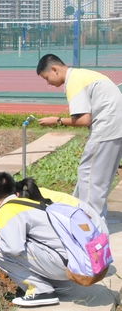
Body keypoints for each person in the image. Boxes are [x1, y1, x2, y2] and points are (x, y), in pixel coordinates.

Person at [36, 54, 122, 218]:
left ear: (54, 69)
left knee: (90, 175)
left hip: (107, 127)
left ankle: (90, 222)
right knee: (95, 175)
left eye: (47, 78)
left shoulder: (73, 81)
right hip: (116, 126)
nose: (48, 83)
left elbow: (83, 119)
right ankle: (76, 213)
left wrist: (57, 120)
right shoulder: (82, 75)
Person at [0, 172, 68, 307]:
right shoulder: (27, 202)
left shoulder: (8, 209)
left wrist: (2, 236)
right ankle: (52, 282)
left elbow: (14, 248)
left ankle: (41, 290)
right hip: (72, 261)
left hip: (61, 266)